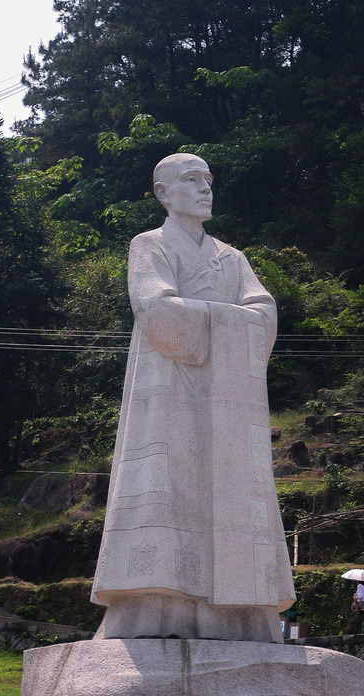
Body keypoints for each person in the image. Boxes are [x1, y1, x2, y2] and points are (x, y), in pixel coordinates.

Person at [91, 152, 296, 641]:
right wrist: (228, 319)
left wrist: (217, 317)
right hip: (170, 397)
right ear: (163, 192)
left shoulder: (232, 258)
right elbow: (158, 312)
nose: (205, 188)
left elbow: (263, 312)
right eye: (191, 179)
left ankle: (240, 617)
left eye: (208, 179)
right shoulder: (150, 246)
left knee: (233, 496)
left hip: (227, 403)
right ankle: (157, 611)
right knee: (171, 490)